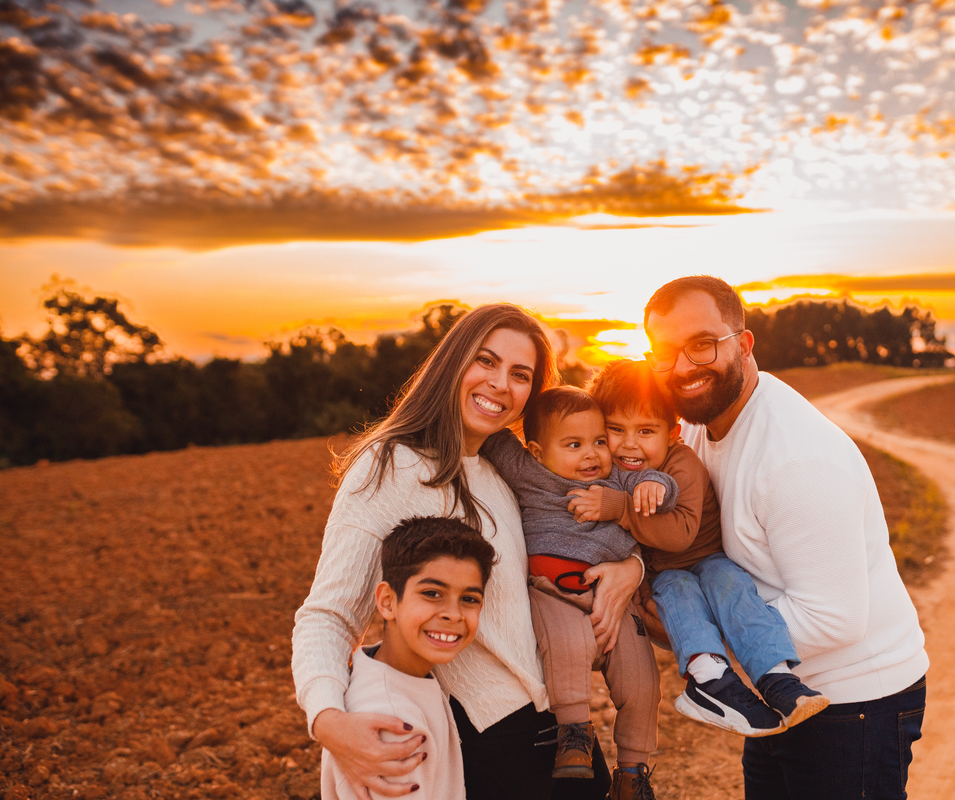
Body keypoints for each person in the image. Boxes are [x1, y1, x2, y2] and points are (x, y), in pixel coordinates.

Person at [293, 304, 644, 800]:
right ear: (453, 362)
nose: (501, 384)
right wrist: (328, 723)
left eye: (520, 375)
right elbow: (327, 615)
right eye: (486, 361)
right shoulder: (390, 465)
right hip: (490, 735)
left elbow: (576, 537)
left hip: (559, 723)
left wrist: (632, 566)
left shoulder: (505, 467)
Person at [641, 276, 929, 800]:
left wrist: (698, 640)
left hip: (854, 703)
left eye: (701, 344)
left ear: (744, 344)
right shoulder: (701, 427)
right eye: (665, 352)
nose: (682, 367)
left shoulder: (796, 460)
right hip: (778, 687)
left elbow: (835, 619)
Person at [584, 359, 829, 737]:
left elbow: (680, 534)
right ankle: (710, 680)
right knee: (677, 592)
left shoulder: (683, 464)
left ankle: (777, 677)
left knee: (731, 586)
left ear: (672, 433)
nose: (629, 443)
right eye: (616, 430)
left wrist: (618, 507)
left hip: (705, 557)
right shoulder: (608, 470)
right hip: (666, 574)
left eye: (645, 431)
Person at [479, 385, 671, 799]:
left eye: (599, 441)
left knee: (641, 680)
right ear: (535, 451)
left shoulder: (612, 480)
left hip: (616, 601)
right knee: (564, 647)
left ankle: (633, 771)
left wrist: (653, 488)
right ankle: (574, 735)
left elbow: (652, 478)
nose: (592, 454)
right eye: (574, 444)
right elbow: (491, 435)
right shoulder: (528, 472)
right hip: (554, 592)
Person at [322, 516, 498, 800]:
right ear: (388, 602)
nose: (453, 614)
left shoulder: (396, 676)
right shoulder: (393, 722)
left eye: (469, 599)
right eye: (432, 593)